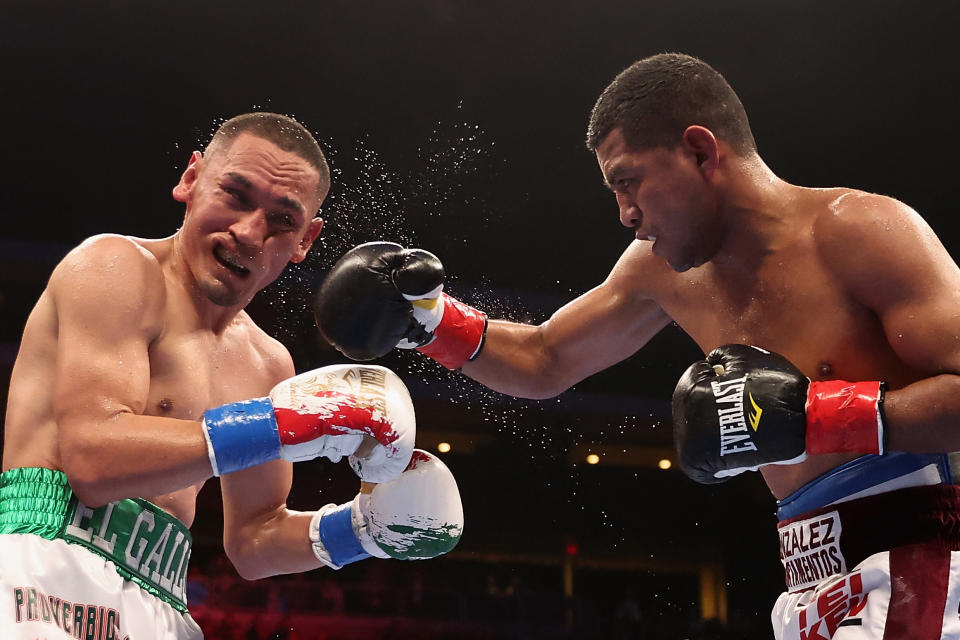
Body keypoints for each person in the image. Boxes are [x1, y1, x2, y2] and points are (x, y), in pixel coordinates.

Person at [314, 54, 960, 638]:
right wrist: (427, 320)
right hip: (808, 573)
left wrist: (815, 416)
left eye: (628, 181)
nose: (623, 212)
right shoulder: (658, 268)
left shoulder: (860, 231)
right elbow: (545, 360)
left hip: (928, 553)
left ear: (701, 151)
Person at [1, 112, 464, 639]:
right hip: (45, 568)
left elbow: (253, 541)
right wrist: (287, 424)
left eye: (282, 220)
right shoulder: (115, 268)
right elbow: (93, 461)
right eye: (236, 195)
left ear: (305, 240)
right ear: (191, 180)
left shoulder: (267, 364)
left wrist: (361, 530)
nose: (247, 231)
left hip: (162, 600)